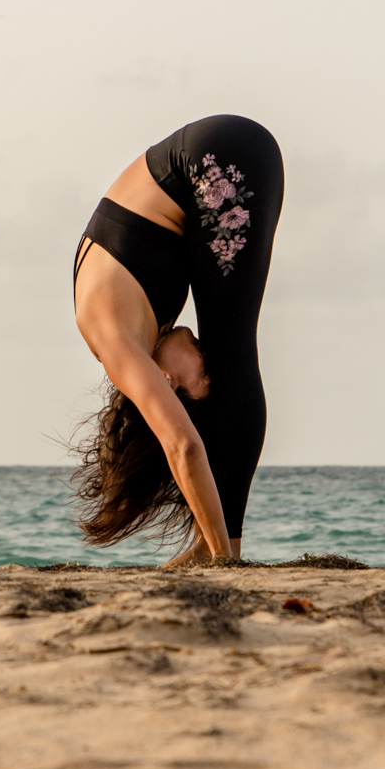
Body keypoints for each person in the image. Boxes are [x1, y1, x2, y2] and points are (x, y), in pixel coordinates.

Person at [69, 115, 283, 566]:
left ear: (168, 384)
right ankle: (216, 545)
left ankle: (222, 549)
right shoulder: (139, 328)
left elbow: (183, 444)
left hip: (220, 157)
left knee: (234, 353)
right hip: (215, 152)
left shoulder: (120, 346)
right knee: (233, 351)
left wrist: (221, 556)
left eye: (200, 370)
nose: (204, 354)